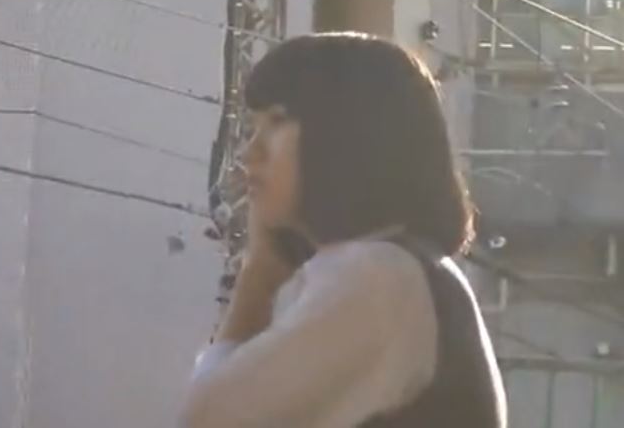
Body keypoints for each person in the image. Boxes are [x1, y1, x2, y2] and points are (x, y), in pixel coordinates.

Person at [179, 32, 507, 428]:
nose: (250, 153)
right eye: (252, 128)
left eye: (277, 122)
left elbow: (209, 419)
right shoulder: (404, 267)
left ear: (343, 133)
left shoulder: (377, 276)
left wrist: (258, 276)